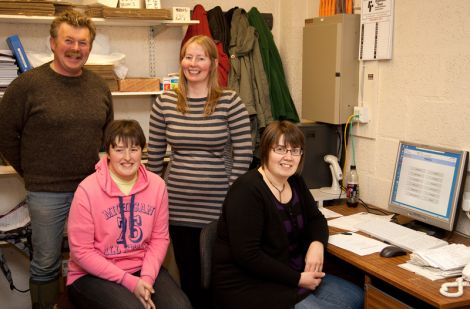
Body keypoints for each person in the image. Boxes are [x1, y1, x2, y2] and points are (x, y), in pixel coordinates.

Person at [0, 10, 113, 308]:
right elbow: (5, 134)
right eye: (68, 41)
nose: (76, 48)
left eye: (83, 43)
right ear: (52, 43)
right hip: (46, 192)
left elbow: (105, 135)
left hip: (92, 191)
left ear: (90, 46)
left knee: (94, 258)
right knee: (46, 261)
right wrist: (32, 172)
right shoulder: (28, 86)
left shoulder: (99, 87)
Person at [147, 34, 252, 308]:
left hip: (219, 209)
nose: (193, 64)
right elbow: (155, 159)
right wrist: (151, 202)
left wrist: (231, 196)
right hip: (178, 207)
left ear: (213, 63)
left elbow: (244, 153)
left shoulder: (230, 102)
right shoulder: (165, 103)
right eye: (188, 57)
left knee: (219, 278)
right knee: (190, 277)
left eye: (200, 58)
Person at [212, 120, 364, 309]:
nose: (288, 157)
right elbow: (248, 256)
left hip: (293, 272)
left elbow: (316, 219)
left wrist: (316, 245)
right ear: (266, 150)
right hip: (252, 285)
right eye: (281, 149)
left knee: (359, 298)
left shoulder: (295, 182)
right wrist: (299, 279)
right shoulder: (246, 190)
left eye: (295, 150)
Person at [66, 119, 192, 309]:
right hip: (91, 275)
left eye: (134, 149)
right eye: (119, 150)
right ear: (107, 152)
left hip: (142, 268)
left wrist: (147, 279)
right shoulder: (87, 190)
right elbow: (81, 252)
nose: (127, 157)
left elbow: (159, 239)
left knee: (180, 306)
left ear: (142, 151)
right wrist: (130, 282)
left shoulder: (157, 186)